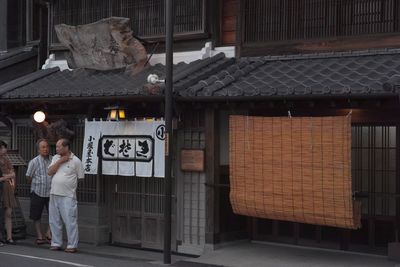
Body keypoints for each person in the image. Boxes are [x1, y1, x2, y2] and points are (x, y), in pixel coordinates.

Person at [48, 138, 84, 253]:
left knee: (70, 220)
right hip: (54, 193)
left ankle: (72, 245)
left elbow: (81, 177)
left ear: (66, 147)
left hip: (68, 195)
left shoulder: (76, 161)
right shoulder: (55, 158)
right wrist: (60, 161)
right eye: (57, 146)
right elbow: (49, 172)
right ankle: (56, 243)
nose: (57, 148)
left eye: (59, 146)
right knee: (54, 220)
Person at [26, 139, 52, 245]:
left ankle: (48, 233)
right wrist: (36, 184)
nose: (46, 149)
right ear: (38, 150)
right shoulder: (34, 161)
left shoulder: (53, 159)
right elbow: (28, 176)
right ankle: (40, 236)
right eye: (43, 147)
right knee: (36, 215)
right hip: (37, 192)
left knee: (54, 214)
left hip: (51, 192)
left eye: (47, 147)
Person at [0, 140, 17, 245]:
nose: (4, 150)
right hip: (1, 187)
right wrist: (7, 176)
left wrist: (7, 176)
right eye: (2, 147)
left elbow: (13, 173)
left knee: (8, 213)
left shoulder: (6, 159)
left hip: (7, 187)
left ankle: (9, 237)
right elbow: (10, 174)